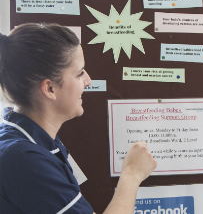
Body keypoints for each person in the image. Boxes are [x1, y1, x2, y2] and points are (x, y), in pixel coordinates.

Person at [0, 23, 158, 213]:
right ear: (50, 88)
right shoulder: (24, 160)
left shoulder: (31, 142)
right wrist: (132, 175)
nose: (88, 80)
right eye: (79, 73)